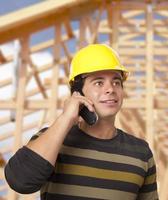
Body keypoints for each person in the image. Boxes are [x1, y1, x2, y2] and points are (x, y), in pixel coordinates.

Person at [5, 44, 159, 200]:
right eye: (99, 82)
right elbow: (19, 181)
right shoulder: (53, 140)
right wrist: (66, 118)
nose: (110, 89)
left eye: (116, 82)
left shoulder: (141, 153)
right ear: (77, 92)